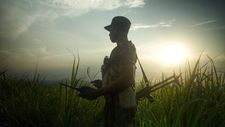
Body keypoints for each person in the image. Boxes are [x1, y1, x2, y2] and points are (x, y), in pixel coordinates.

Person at [79, 16, 137, 127]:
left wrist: (97, 93)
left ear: (118, 29)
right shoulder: (117, 50)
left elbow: (127, 80)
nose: (109, 33)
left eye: (111, 30)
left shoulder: (127, 49)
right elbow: (119, 76)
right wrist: (103, 84)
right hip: (114, 105)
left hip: (122, 109)